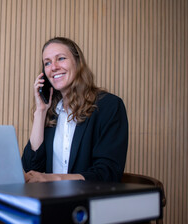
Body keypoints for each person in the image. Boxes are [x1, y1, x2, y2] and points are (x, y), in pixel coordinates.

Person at [22, 37, 128, 183]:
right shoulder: (52, 113)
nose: (53, 67)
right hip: (51, 202)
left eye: (60, 58)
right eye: (47, 63)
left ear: (78, 63)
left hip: (88, 202)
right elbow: (31, 168)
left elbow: (108, 173)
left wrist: (55, 179)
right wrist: (40, 112)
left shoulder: (109, 106)